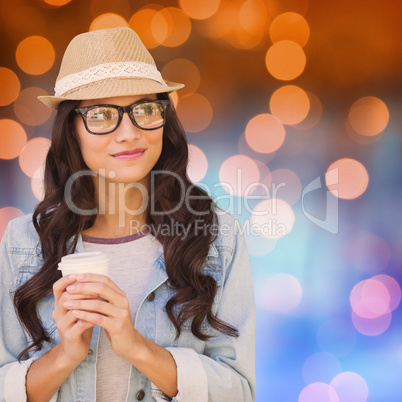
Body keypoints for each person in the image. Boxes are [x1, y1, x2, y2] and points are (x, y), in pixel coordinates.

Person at [0, 27, 256, 401]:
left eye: (145, 109)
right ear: (72, 129)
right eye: (102, 114)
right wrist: (67, 355)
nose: (129, 132)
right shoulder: (23, 243)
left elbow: (240, 392)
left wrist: (136, 346)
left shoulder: (217, 238)